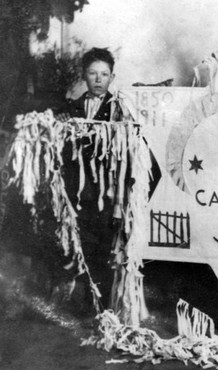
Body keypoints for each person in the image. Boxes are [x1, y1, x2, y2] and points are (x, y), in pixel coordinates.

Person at [55, 47, 118, 312]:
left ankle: (104, 309)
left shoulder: (118, 110)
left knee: (104, 248)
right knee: (79, 244)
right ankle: (82, 303)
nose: (98, 79)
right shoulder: (72, 108)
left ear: (112, 77)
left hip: (105, 193)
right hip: (78, 192)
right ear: (84, 75)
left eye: (104, 74)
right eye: (93, 73)